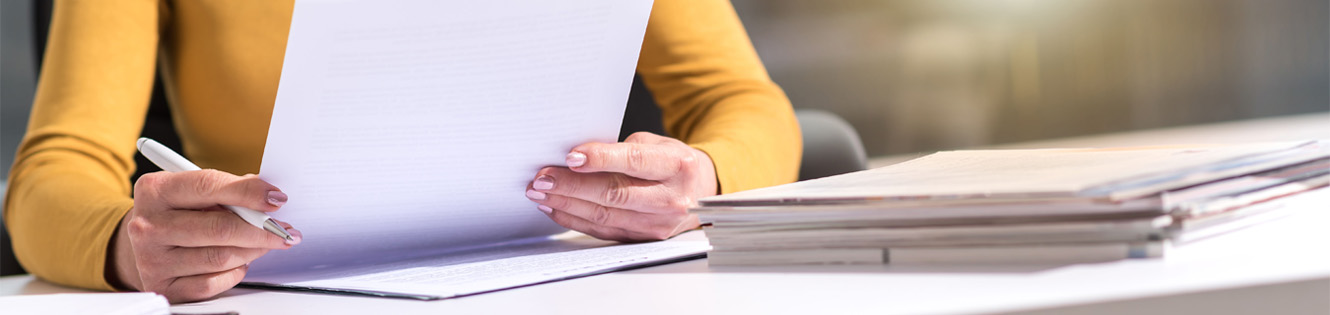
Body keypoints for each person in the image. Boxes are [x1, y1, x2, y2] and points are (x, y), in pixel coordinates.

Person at [4, 0, 800, 303]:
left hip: (552, 284)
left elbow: (745, 103)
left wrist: (707, 175)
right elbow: (50, 175)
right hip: (277, 294)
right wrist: (130, 246)